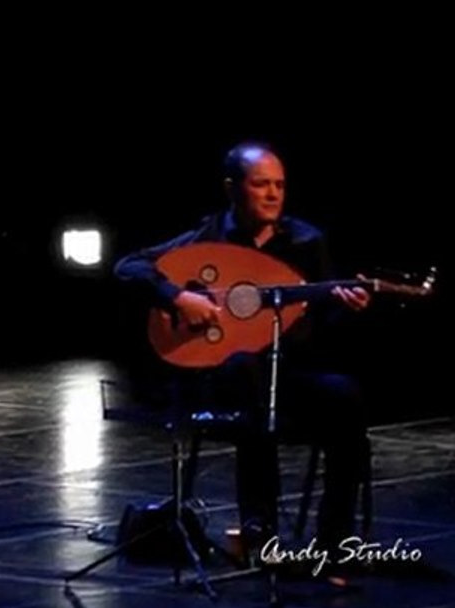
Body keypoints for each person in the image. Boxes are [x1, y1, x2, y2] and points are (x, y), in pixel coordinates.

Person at [114, 141, 371, 567]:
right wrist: (177, 297)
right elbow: (129, 267)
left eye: (279, 185)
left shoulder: (307, 242)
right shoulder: (210, 235)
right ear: (232, 188)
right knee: (245, 372)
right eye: (260, 185)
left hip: (288, 373)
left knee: (344, 394)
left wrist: (344, 308)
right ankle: (259, 534)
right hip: (225, 380)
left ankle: (335, 542)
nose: (273, 194)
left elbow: (321, 327)